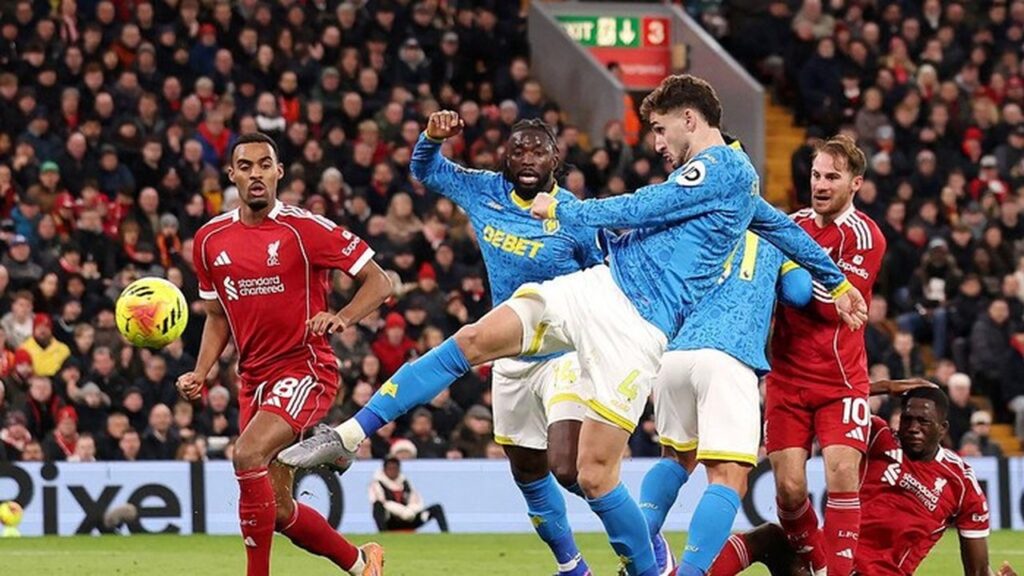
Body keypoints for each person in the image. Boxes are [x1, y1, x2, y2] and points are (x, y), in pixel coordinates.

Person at [281, 74, 865, 576]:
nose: (656, 143)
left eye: (660, 129)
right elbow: (780, 228)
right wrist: (834, 281)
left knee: (593, 475)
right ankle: (349, 436)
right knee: (474, 338)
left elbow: (643, 207)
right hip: (598, 288)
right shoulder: (729, 184)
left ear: (690, 119)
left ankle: (650, 569)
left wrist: (567, 208)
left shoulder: (724, 168)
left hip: (637, 329)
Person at [391, 111, 600, 575]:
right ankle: (572, 566)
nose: (527, 157)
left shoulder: (574, 215)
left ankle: (647, 547)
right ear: (505, 156)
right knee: (527, 471)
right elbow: (425, 170)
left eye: (538, 150)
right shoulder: (484, 190)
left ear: (555, 159)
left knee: (569, 468)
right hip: (510, 353)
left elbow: (603, 278)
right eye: (518, 149)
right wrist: (431, 138)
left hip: (564, 352)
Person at [175, 133, 392, 576]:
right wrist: (201, 371)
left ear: (279, 172)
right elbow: (216, 316)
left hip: (304, 367)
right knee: (277, 510)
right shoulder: (209, 239)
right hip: (253, 380)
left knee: (247, 453)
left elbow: (380, 281)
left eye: (264, 164)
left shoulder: (305, 228)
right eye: (245, 166)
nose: (255, 174)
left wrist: (342, 317)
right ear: (231, 175)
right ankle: (361, 563)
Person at [638, 226, 814, 575]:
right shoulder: (773, 234)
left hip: (673, 357)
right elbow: (800, 293)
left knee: (674, 459)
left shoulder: (700, 227)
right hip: (728, 358)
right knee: (728, 478)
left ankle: (637, 554)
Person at [709, 387, 997, 576]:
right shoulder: (879, 435)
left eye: (923, 422)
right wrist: (884, 386)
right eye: (907, 419)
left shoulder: (961, 483)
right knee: (770, 537)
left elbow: (978, 570)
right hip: (828, 561)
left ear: (943, 428)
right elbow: (829, 401)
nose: (912, 428)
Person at [765, 134, 887, 575]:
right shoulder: (791, 224)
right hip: (786, 377)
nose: (819, 184)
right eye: (816, 175)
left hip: (840, 380)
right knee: (789, 488)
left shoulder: (866, 236)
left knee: (841, 474)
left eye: (832, 177)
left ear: (855, 183)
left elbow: (830, 303)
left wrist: (791, 280)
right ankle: (819, 567)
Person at [369, 456, 448, 533]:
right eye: (390, 468)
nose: (393, 471)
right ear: (384, 470)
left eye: (395, 468)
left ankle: (446, 535)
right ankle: (384, 535)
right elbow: (383, 502)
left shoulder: (405, 483)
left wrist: (410, 511)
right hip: (391, 520)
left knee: (437, 508)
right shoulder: (377, 483)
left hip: (409, 518)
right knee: (377, 506)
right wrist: (402, 511)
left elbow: (416, 501)